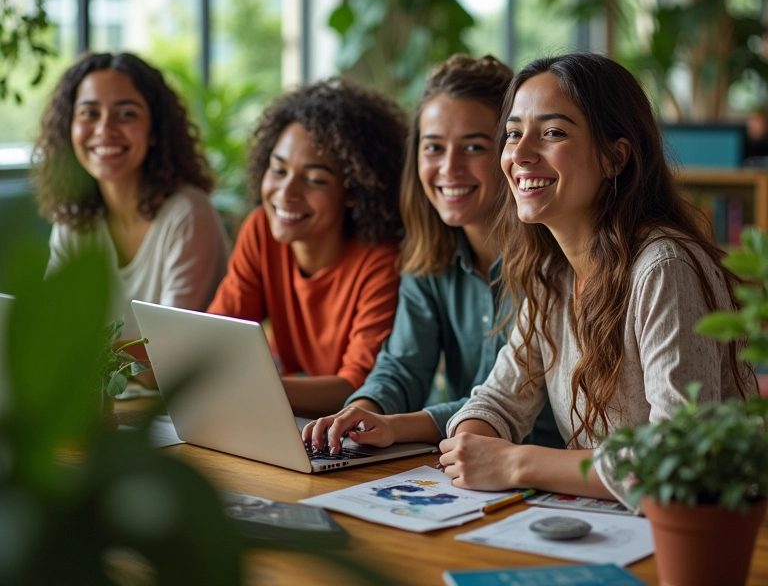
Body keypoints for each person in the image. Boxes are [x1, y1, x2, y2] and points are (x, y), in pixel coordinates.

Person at [438, 52, 754, 504]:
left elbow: (680, 459)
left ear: (615, 157)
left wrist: (513, 462)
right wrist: (472, 443)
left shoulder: (664, 268)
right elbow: (500, 400)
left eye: (552, 133)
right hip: (601, 525)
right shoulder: (552, 273)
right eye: (512, 134)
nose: (520, 154)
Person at [302, 55, 562, 455]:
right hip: (464, 465)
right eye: (434, 148)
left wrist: (395, 426)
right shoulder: (429, 253)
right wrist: (360, 410)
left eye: (473, 147)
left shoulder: (554, 257)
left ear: (510, 150)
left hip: (547, 466)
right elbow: (403, 366)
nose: (449, 168)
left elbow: (501, 407)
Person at [207, 77, 407, 418]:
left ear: (353, 191)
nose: (285, 193)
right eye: (278, 169)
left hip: (361, 433)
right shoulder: (261, 229)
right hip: (293, 420)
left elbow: (356, 387)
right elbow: (215, 336)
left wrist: (246, 385)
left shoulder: (381, 260)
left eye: (314, 180)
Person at [34, 52, 230, 350]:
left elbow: (169, 352)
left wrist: (75, 357)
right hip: (106, 394)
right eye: (89, 113)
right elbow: (52, 324)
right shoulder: (74, 216)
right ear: (68, 127)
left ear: (155, 131)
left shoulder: (187, 215)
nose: (104, 129)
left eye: (126, 114)